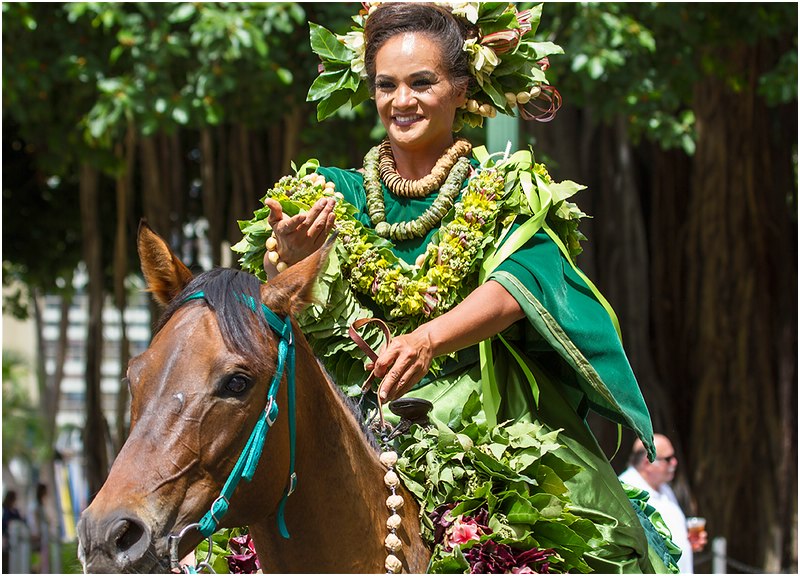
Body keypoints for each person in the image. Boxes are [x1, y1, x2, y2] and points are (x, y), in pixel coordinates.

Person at [236, 2, 678, 573]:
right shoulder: (327, 193)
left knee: (566, 545)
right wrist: (293, 266)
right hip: (349, 424)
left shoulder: (502, 186)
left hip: (486, 426)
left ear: (463, 88)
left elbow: (523, 282)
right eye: (386, 85)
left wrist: (426, 340)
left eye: (423, 82)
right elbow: (287, 317)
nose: (402, 101)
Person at [619, 434, 708, 574]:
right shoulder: (627, 490)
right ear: (647, 462)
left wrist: (687, 542)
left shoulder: (665, 489)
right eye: (668, 459)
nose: (674, 463)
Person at [2, 490, 25, 574]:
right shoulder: (5, 510)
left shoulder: (15, 510)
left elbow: (22, 521)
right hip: (9, 538)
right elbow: (4, 525)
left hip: (18, 538)